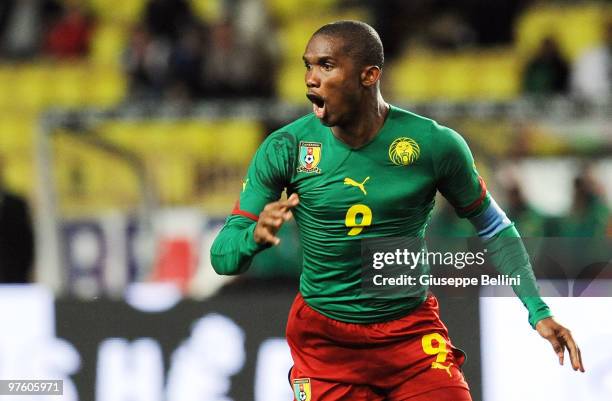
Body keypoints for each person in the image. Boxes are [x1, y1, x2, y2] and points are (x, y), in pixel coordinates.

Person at [211, 21, 584, 401]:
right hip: (326, 344)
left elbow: (494, 228)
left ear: (369, 75)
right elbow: (222, 258)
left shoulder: (433, 145)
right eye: (307, 66)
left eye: (326, 65)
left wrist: (537, 310)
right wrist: (253, 238)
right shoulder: (286, 148)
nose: (310, 79)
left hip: (409, 333)